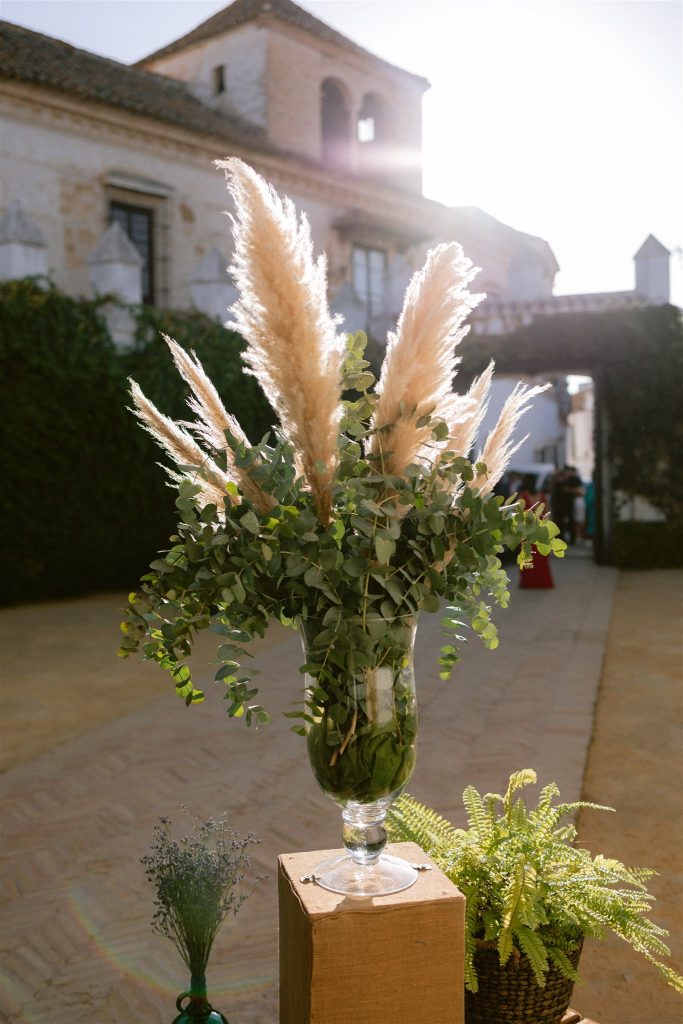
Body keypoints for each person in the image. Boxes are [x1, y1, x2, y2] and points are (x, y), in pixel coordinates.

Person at [519, 475, 554, 589]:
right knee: (541, 557)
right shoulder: (542, 495)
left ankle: (529, 582)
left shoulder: (523, 496)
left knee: (528, 556)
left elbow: (518, 515)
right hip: (540, 531)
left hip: (527, 532)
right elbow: (547, 514)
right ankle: (542, 581)